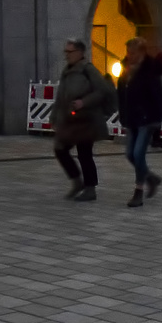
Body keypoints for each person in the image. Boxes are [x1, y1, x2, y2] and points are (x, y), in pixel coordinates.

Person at [53, 39, 115, 202]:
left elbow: (102, 91)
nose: (66, 55)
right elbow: (61, 96)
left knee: (84, 154)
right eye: (65, 52)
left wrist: (84, 102)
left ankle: (90, 188)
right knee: (60, 149)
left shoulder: (88, 70)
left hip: (87, 120)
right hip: (70, 120)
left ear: (80, 53)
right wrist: (55, 116)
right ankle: (77, 181)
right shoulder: (67, 70)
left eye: (69, 52)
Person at [116, 38, 162, 207]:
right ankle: (151, 178)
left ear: (141, 52)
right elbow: (122, 94)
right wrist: (122, 114)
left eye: (132, 53)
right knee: (129, 154)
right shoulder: (126, 70)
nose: (129, 56)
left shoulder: (149, 71)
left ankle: (138, 191)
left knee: (139, 154)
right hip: (132, 118)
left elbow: (159, 94)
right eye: (128, 53)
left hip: (147, 118)